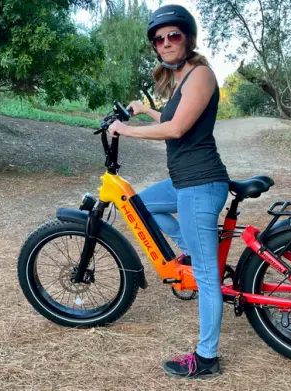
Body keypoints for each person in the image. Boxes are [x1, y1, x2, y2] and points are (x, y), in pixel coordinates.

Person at [108, 4, 230, 379]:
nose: (165, 43)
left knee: (208, 277)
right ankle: (192, 251)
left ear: (187, 38)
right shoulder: (183, 79)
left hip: (200, 184)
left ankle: (206, 358)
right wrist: (144, 110)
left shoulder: (202, 75)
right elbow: (172, 118)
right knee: (141, 206)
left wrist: (125, 131)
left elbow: (177, 129)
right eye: (158, 39)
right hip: (184, 182)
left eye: (172, 35)